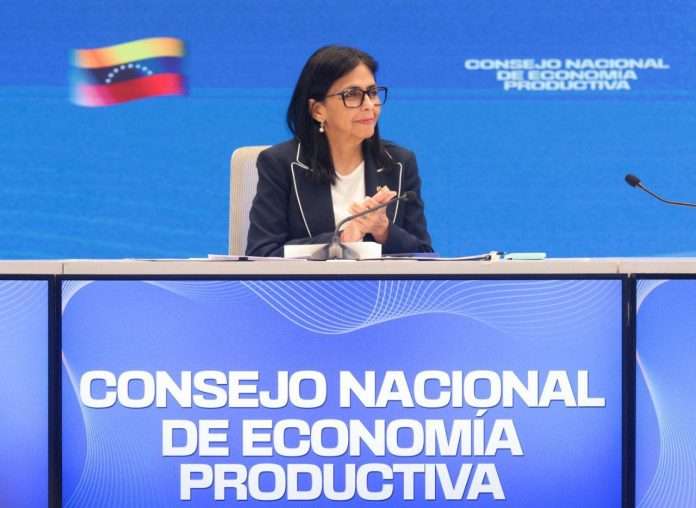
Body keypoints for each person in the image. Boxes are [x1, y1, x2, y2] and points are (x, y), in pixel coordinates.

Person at [245, 45, 433, 257]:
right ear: (318, 110)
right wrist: (341, 239)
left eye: (372, 93)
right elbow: (262, 253)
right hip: (308, 281)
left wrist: (384, 230)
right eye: (352, 95)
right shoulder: (280, 164)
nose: (369, 105)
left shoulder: (399, 163)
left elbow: (424, 256)